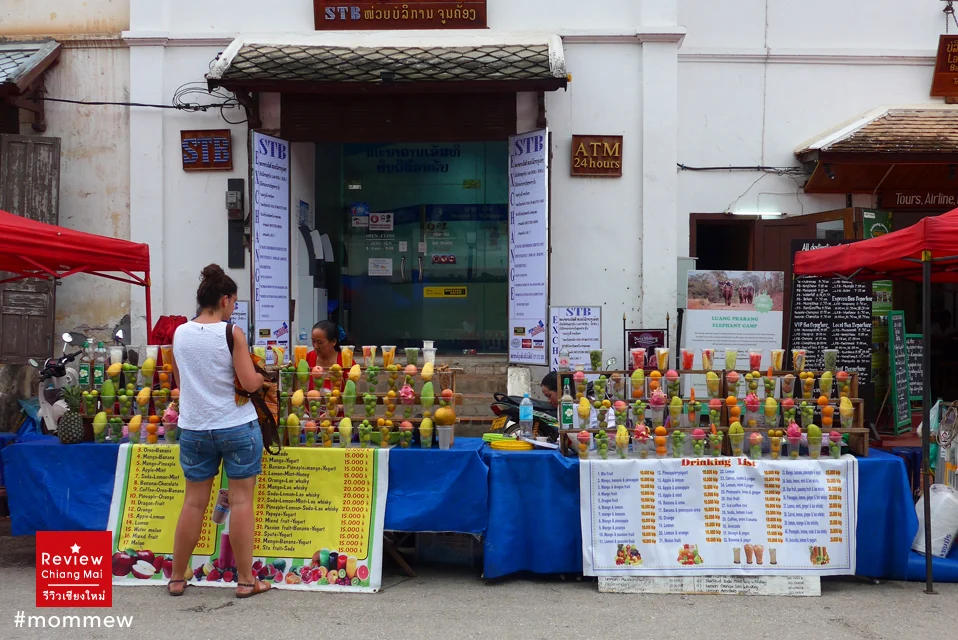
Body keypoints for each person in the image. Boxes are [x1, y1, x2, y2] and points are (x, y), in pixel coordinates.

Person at [168, 265, 270, 599]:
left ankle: (177, 578)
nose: (233, 308)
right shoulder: (231, 333)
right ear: (224, 300)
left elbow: (181, 385)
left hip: (194, 429)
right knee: (241, 502)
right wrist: (266, 379)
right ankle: (244, 581)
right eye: (234, 303)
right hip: (236, 426)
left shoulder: (180, 333)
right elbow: (250, 381)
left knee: (193, 503)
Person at [305, 320, 344, 391]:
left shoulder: (345, 361)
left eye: (320, 342)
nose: (316, 346)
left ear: (333, 342)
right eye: (313, 341)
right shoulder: (307, 359)